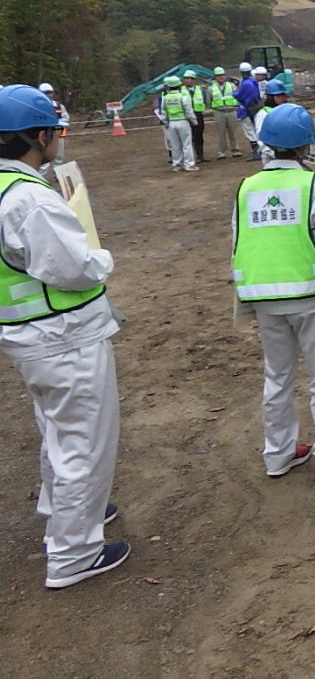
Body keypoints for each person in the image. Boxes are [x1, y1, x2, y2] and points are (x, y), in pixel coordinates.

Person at [0, 84, 128, 588]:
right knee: (85, 443)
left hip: (30, 338)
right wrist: (103, 258)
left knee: (58, 431)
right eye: (53, 132)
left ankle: (66, 511)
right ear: (37, 136)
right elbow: (74, 268)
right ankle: (73, 553)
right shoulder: (29, 196)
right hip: (64, 336)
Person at [231, 103, 315, 485]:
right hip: (309, 294)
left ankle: (279, 453)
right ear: (305, 146)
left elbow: (238, 241)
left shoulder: (246, 187)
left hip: (263, 296)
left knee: (278, 376)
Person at [156, 75, 197, 172]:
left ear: (168, 86)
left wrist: (165, 123)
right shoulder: (183, 97)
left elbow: (164, 112)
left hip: (171, 123)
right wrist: (194, 121)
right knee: (187, 144)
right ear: (179, 86)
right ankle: (189, 165)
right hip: (183, 122)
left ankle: (177, 165)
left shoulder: (165, 98)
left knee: (175, 145)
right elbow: (188, 111)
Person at [253, 80, 293, 163]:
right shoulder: (263, 114)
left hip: (291, 155)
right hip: (272, 159)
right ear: (270, 97)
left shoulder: (288, 110)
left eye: (283, 95)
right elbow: (261, 138)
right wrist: (275, 153)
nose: (282, 98)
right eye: (278, 96)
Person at [37, 83, 69, 177]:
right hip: (44, 134)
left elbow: (66, 117)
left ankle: (59, 175)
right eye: (46, 92)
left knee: (59, 156)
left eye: (50, 92)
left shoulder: (59, 106)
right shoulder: (36, 106)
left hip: (59, 132)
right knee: (44, 156)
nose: (48, 94)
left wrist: (58, 122)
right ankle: (41, 176)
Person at [208, 66, 241, 159]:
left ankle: (235, 150)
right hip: (219, 112)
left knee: (233, 132)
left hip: (231, 110)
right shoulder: (211, 88)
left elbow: (237, 97)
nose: (220, 77)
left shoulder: (232, 86)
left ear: (225, 76)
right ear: (215, 77)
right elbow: (208, 100)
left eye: (222, 75)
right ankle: (222, 152)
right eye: (218, 76)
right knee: (221, 133)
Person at [235, 62, 262, 161]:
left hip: (247, 109)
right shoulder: (253, 81)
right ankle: (259, 151)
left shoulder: (246, 83)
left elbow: (239, 95)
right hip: (254, 108)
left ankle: (257, 152)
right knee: (255, 129)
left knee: (250, 131)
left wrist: (234, 91)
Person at [182, 70, 208, 163]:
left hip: (198, 114)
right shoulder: (181, 91)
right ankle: (188, 157)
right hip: (186, 116)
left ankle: (200, 156)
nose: (187, 80)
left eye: (189, 78)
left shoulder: (200, 90)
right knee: (187, 136)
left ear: (194, 80)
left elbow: (205, 100)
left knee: (199, 135)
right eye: (186, 78)